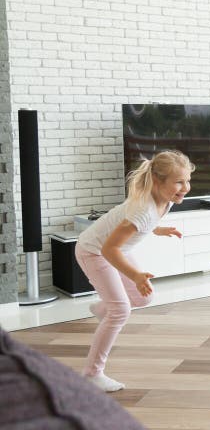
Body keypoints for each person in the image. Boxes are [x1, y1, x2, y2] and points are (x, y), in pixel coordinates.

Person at [75, 150, 194, 392]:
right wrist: (135, 276)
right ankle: (92, 374)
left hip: (113, 249)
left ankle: (102, 309)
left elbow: (142, 225)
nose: (186, 187)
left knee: (143, 297)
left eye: (188, 180)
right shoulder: (143, 210)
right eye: (179, 182)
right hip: (94, 251)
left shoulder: (166, 199)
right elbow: (109, 249)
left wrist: (158, 230)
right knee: (120, 311)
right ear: (158, 182)